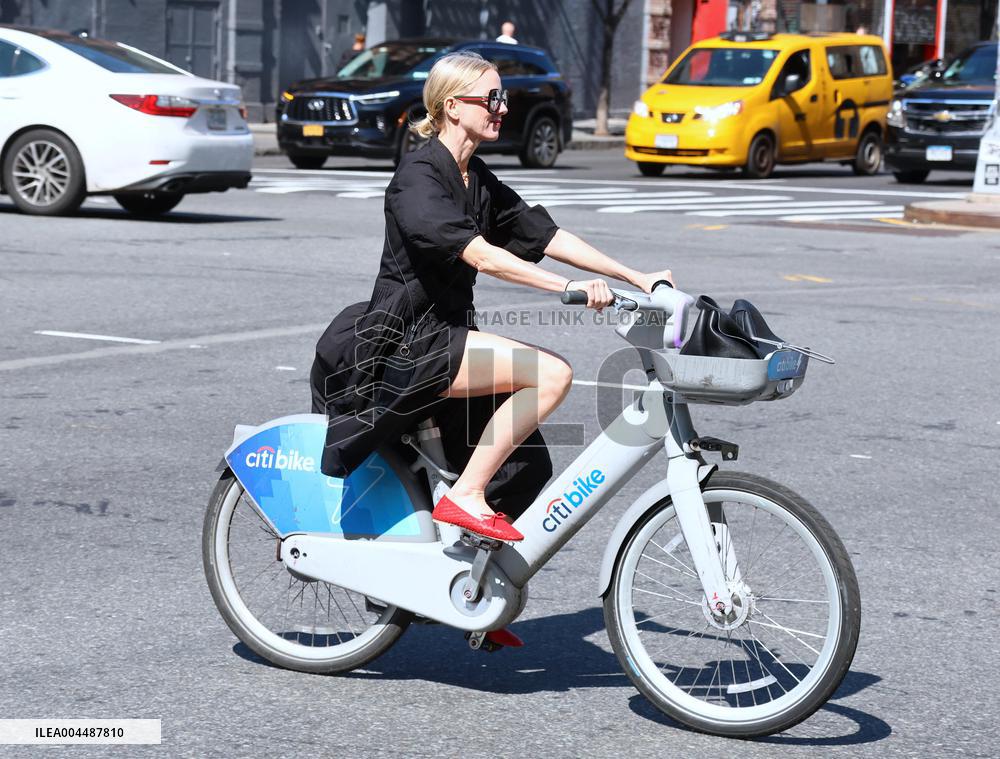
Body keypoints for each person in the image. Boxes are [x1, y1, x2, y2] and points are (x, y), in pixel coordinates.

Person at [310, 52, 672, 544]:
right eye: (492, 98)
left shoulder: (475, 178)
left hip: (451, 337)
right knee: (552, 374)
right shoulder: (418, 178)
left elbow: (545, 236)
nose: (502, 108)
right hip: (410, 343)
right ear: (453, 106)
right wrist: (567, 288)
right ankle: (465, 495)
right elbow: (483, 256)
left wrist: (636, 276)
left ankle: (471, 601)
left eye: (504, 98)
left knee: (525, 468)